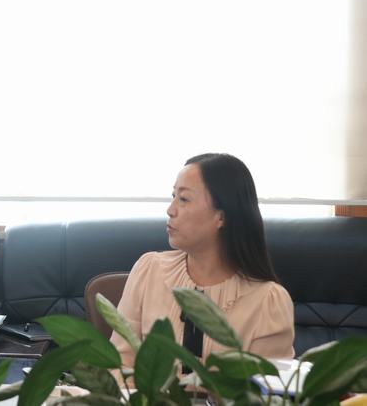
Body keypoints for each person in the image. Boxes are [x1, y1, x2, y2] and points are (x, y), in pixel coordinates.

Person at [111, 153, 294, 369]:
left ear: (221, 217)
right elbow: (119, 364)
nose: (170, 210)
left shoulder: (268, 302)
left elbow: (267, 386)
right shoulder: (149, 270)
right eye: (173, 196)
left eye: (184, 199)